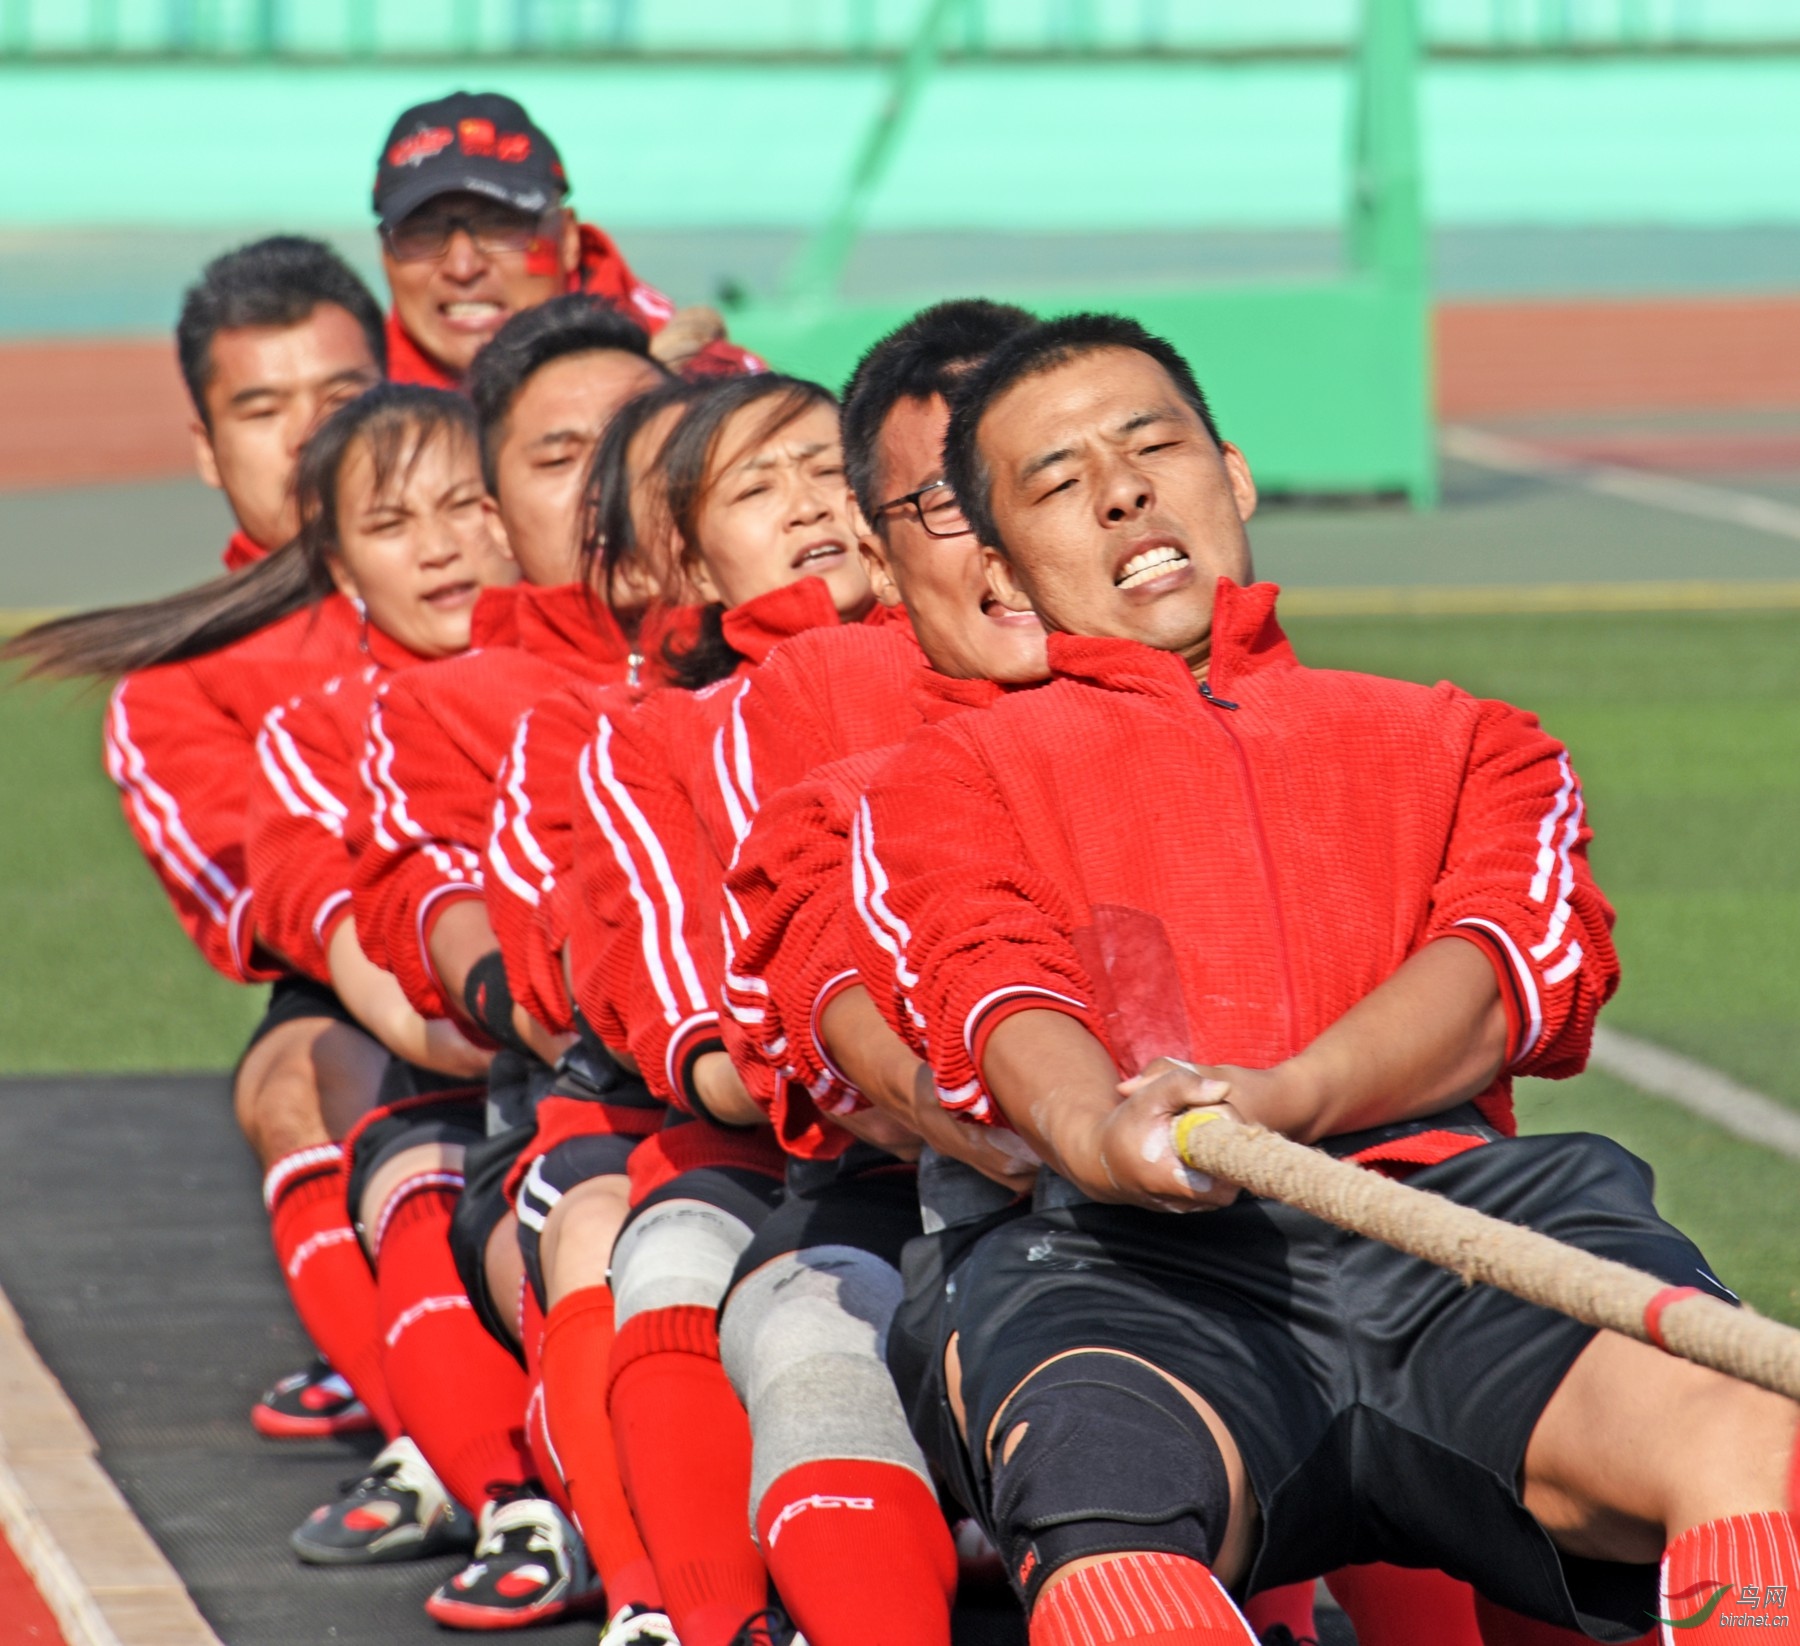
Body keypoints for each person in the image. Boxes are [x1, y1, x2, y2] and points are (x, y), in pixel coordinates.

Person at [847, 313, 1800, 1645]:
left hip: (1466, 1232)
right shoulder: (940, 787)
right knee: (1110, 1555)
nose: (1121, 489)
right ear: (1001, 572)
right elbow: (995, 996)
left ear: (1232, 475)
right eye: (1059, 483)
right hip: (1114, 1264)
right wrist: (1096, 1129)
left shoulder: (1469, 739)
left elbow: (1505, 975)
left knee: (1755, 1436)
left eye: (1151, 445)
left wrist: (1283, 1095)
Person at [0, 236, 404, 1443]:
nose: (308, 438)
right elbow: (269, 916)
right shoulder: (180, 685)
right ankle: (431, 1423)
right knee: (292, 1077)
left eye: (341, 396)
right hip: (396, 993)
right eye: (263, 406)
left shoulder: (514, 574)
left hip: (600, 980)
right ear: (206, 447)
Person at [343, 298, 680, 1634]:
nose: (605, 485)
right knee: (596, 1225)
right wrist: (580, 996)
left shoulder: (805, 660)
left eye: (636, 440)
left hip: (832, 1126)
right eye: (557, 457)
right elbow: (431, 911)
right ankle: (652, 1595)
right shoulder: (448, 702)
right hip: (579, 1110)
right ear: (493, 508)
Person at [564, 371, 875, 1646]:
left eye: (829, 467)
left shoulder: (994, 663)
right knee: (672, 1252)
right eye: (759, 488)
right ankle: (687, 1610)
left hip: (1006, 1122)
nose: (809, 505)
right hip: (776, 1134)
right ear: (689, 555)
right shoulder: (665, 737)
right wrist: (881, 1085)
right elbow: (690, 1015)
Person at [373, 90, 759, 390]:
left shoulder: (704, 389)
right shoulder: (338, 399)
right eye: (423, 233)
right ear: (384, 255)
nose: (462, 267)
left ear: (570, 239)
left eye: (501, 226)